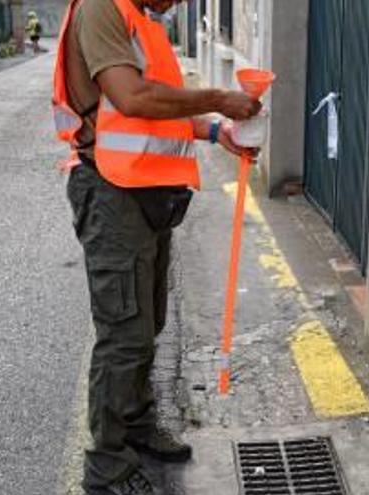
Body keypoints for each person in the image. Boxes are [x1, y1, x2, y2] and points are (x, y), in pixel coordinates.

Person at [51, 0, 261, 493]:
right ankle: (107, 466)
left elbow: (158, 112)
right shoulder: (104, 8)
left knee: (149, 324)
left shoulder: (144, 21)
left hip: (144, 193)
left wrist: (214, 130)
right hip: (110, 192)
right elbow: (133, 98)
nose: (180, 2)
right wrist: (219, 99)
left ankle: (138, 424)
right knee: (124, 334)